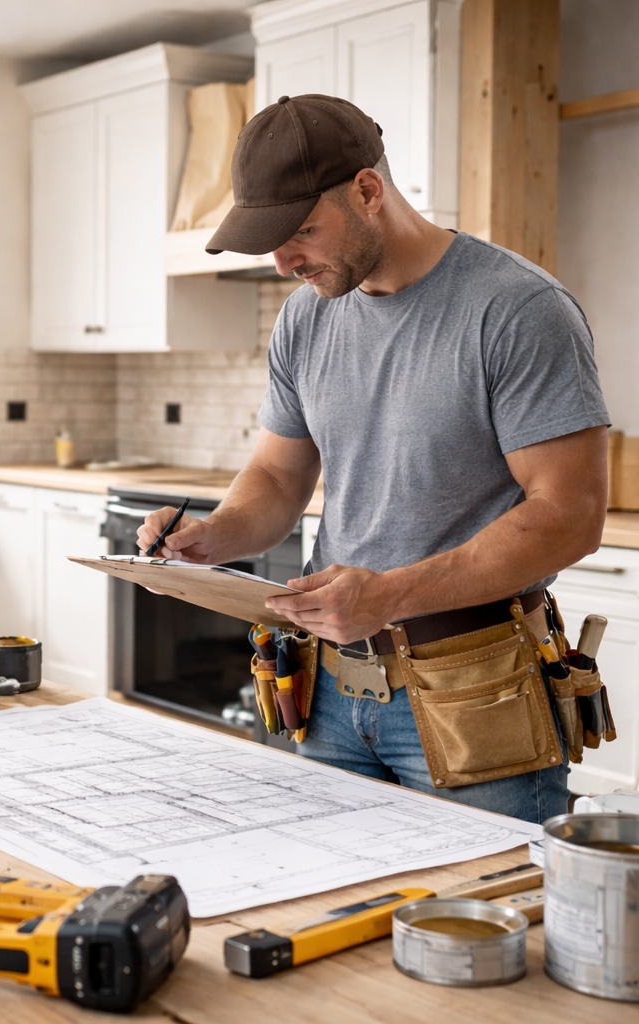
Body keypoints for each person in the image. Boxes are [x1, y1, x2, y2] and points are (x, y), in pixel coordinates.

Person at [136, 95, 610, 824]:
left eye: (299, 232)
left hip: (473, 689)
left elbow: (569, 517)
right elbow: (276, 477)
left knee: (474, 924)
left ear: (367, 191)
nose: (283, 262)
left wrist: (389, 596)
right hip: (326, 691)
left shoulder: (516, 310)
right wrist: (213, 535)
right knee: (328, 914)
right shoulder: (307, 315)